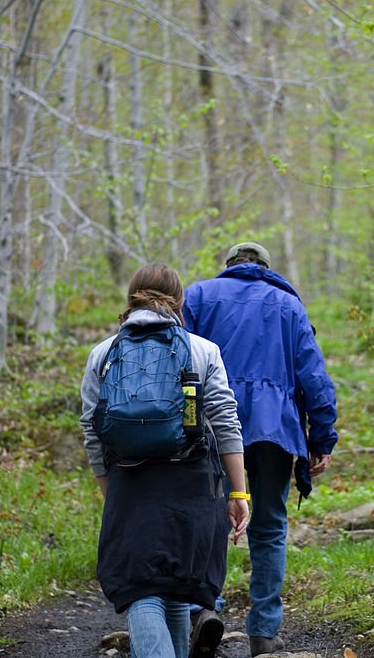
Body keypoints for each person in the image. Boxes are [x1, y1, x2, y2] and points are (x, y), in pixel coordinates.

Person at [81, 263, 250, 658]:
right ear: (180, 302)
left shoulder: (103, 354)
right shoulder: (202, 350)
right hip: (191, 482)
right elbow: (225, 421)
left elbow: (92, 430)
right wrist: (238, 490)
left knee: (143, 590)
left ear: (131, 299)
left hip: (129, 481)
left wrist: (112, 493)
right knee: (177, 589)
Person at [183, 242, 339, 657]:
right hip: (275, 429)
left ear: (229, 267)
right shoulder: (288, 305)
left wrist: (182, 423)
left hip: (211, 427)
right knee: (268, 527)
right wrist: (322, 437)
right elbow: (314, 376)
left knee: (211, 519)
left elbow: (179, 364)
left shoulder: (198, 296)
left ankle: (204, 610)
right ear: (266, 269)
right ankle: (264, 631)